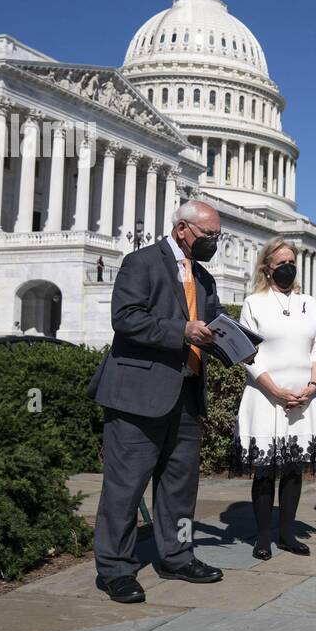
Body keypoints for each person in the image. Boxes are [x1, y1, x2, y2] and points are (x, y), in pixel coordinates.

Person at [87, 200, 230, 603]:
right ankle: (115, 569)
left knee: (179, 488)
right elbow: (126, 318)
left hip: (186, 394)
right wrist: (181, 330)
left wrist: (237, 343)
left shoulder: (203, 278)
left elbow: (212, 325)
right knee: (124, 488)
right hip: (137, 397)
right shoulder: (142, 262)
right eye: (209, 236)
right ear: (184, 229)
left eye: (218, 237)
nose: (214, 243)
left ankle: (177, 556)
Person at [235, 240, 316, 559]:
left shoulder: (309, 303)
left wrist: (313, 384)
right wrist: (275, 390)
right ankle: (262, 538)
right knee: (265, 470)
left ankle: (287, 532)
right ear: (267, 268)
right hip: (265, 397)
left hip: (305, 398)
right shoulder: (254, 303)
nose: (288, 267)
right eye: (281, 263)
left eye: (292, 261)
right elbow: (247, 353)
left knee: (292, 469)